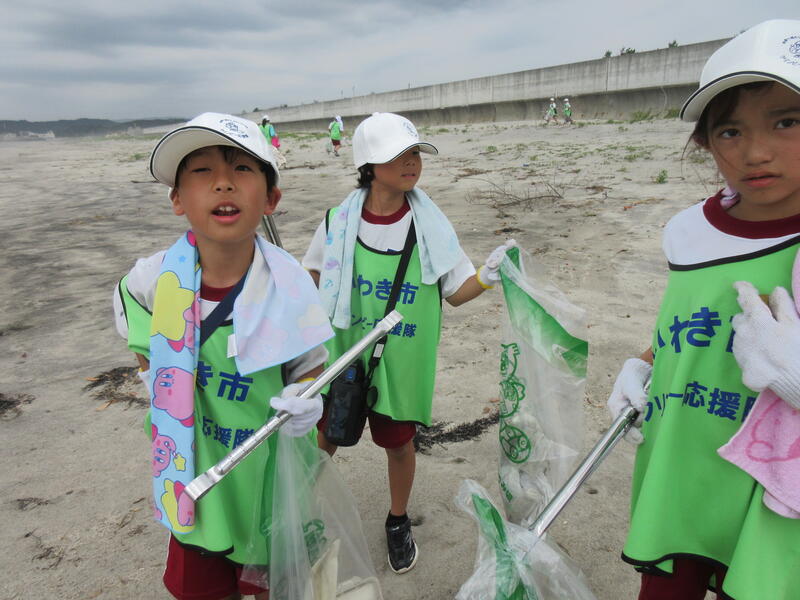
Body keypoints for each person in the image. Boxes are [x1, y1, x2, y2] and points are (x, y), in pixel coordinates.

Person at [606, 19, 800, 600]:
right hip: (684, 458)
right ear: (705, 143)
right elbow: (689, 318)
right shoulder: (687, 232)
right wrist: (645, 363)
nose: (756, 153)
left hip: (775, 489)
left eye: (787, 122)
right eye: (730, 131)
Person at [113, 112, 334, 600]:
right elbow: (132, 311)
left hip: (265, 477)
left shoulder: (291, 287)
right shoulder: (152, 279)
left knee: (274, 583)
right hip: (193, 473)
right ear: (177, 199)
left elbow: (312, 365)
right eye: (202, 171)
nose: (223, 183)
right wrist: (154, 376)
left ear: (271, 198)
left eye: (242, 169)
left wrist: (307, 399)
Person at [302, 111, 515, 574]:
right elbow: (312, 276)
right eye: (399, 154)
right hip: (344, 357)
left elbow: (455, 292)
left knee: (399, 445)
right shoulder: (337, 222)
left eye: (415, 152)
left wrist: (487, 275)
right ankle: (300, 513)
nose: (411, 162)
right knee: (325, 437)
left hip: (401, 361)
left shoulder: (429, 226)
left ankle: (397, 520)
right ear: (368, 164)